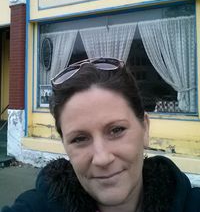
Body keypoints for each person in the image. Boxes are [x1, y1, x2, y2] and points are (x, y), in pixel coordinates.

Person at [1, 57, 200, 212]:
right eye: (79, 139)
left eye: (116, 130)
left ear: (145, 128)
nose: (102, 158)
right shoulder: (38, 206)